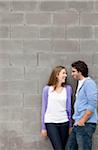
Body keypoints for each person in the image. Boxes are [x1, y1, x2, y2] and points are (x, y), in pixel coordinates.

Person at [66, 60, 98, 150]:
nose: (72, 74)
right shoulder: (80, 83)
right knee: (70, 148)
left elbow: (93, 104)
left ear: (80, 71)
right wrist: (77, 122)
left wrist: (82, 120)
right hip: (78, 123)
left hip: (85, 124)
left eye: (73, 71)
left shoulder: (89, 83)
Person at [41, 66, 72, 150]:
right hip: (51, 123)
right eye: (63, 73)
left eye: (66, 73)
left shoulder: (68, 89)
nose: (65, 75)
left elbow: (69, 108)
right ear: (57, 75)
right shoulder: (47, 89)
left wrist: (70, 125)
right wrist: (43, 127)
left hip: (64, 123)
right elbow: (44, 108)